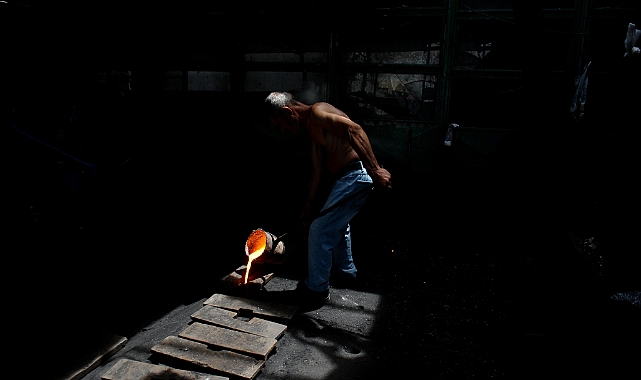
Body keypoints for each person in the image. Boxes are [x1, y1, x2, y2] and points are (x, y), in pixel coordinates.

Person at [264, 92, 392, 308]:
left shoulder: (318, 112)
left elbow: (354, 129)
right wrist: (307, 208)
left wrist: (375, 170)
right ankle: (347, 272)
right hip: (346, 178)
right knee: (336, 224)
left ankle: (316, 290)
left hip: (355, 176)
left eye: (281, 124)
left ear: (288, 111)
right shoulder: (313, 130)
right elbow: (317, 172)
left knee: (320, 229)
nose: (283, 130)